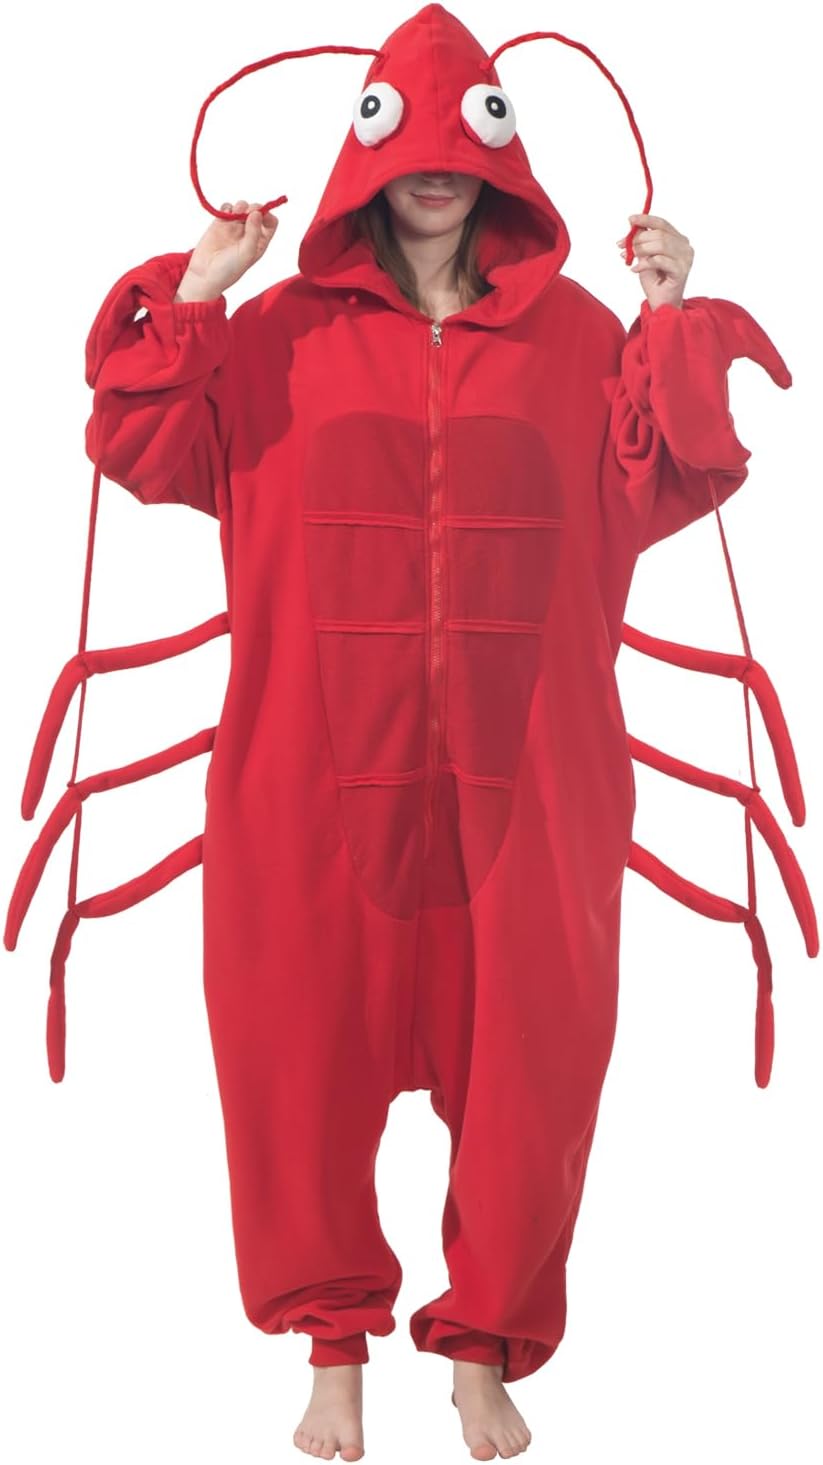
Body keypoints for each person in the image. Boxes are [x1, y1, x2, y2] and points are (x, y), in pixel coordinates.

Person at [74, 5, 795, 1461]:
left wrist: (666, 320)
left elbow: (675, 472)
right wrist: (199, 293)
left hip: (534, 777)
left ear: (505, 164)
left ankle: (483, 1350)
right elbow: (141, 443)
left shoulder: (581, 339)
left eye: (466, 145)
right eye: (404, 145)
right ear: (363, 163)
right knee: (294, 1050)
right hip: (304, 769)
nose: (435, 170)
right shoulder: (276, 337)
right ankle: (332, 1347)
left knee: (535, 1058)